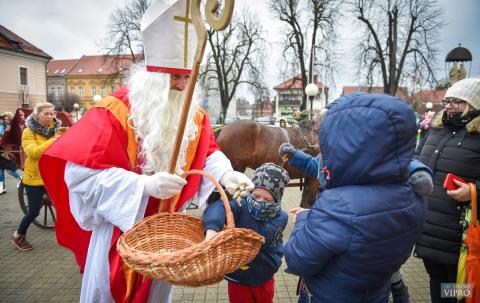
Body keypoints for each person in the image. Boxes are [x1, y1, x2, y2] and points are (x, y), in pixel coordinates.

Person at [38, 1, 253, 302]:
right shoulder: (114, 111)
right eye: (173, 77)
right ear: (153, 75)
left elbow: (207, 152)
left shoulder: (194, 113)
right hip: (120, 230)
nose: (181, 86)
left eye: (186, 77)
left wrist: (226, 174)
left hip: (168, 239)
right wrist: (144, 186)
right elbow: (79, 175)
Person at [282, 93, 427, 302]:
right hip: (375, 292)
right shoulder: (414, 194)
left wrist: (306, 219)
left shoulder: (338, 206)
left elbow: (297, 260)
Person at [414, 78, 480, 303]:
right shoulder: (436, 128)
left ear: (474, 103)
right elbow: (416, 157)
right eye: (447, 100)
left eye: (457, 101)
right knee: (437, 284)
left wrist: (474, 191)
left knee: (458, 290)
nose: (449, 106)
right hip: (428, 231)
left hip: (459, 236)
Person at [203, 163, 289, 303]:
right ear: (250, 191)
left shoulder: (281, 217)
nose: (260, 202)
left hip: (264, 275)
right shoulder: (240, 203)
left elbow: (262, 236)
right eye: (256, 196)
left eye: (267, 199)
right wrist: (212, 229)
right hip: (238, 276)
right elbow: (220, 207)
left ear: (277, 200)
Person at [10, 102, 60, 251]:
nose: (50, 116)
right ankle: (18, 235)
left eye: (52, 113)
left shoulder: (56, 130)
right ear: (37, 115)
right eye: (46, 114)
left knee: (65, 203)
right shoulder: (28, 132)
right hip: (35, 178)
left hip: (52, 175)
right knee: (33, 211)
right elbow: (33, 153)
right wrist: (53, 141)